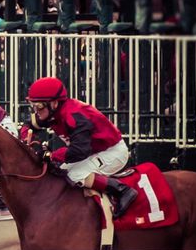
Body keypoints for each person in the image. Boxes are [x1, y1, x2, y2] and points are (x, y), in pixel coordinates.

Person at [26, 76, 137, 218]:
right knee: (59, 173)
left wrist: (51, 155)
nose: (36, 111)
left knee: (75, 175)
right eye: (32, 105)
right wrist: (27, 138)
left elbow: (79, 151)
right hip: (93, 151)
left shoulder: (74, 116)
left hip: (112, 152)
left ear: (54, 103)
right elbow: (29, 124)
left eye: (39, 106)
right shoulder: (53, 111)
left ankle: (123, 191)